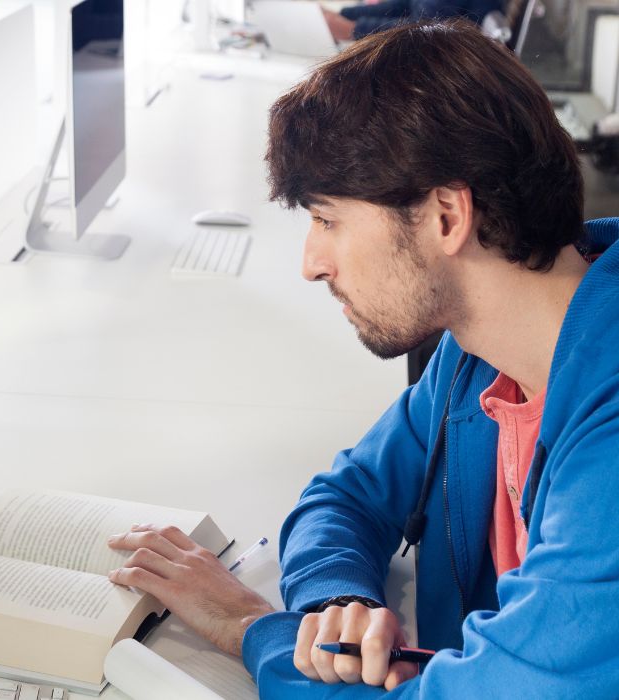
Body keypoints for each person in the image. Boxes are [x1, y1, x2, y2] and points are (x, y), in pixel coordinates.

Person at [105, 20, 619, 697]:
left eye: (328, 220)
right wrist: (336, 614)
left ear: (444, 216)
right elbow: (345, 499)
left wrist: (254, 628)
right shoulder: (482, 351)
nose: (311, 264)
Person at [322, 0, 502, 41]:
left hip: (454, 58)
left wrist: (355, 29)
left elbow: (427, 29)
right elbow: (404, 5)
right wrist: (346, 15)